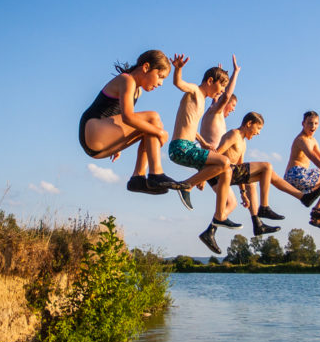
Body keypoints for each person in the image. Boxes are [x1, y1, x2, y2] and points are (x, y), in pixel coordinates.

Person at [78, 49, 186, 194]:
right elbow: (127, 117)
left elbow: (126, 119)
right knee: (153, 118)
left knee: (150, 127)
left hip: (99, 145)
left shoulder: (137, 91)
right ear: (146, 67)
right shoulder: (126, 80)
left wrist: (116, 140)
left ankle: (138, 179)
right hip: (91, 129)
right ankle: (156, 174)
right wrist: (160, 133)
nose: (160, 83)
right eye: (160, 76)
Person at [167, 53, 241, 254]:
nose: (222, 92)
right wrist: (178, 68)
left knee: (225, 168)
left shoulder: (202, 104)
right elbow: (179, 83)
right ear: (210, 81)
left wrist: (203, 142)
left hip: (189, 146)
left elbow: (190, 126)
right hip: (181, 147)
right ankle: (185, 186)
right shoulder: (195, 92)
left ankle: (219, 216)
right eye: (220, 86)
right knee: (225, 162)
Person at [213, 111, 320, 235]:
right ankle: (264, 207)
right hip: (224, 172)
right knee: (267, 166)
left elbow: (241, 169)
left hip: (233, 174)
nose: (258, 132)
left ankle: (303, 197)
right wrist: (202, 178)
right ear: (249, 123)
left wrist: (243, 192)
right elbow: (216, 155)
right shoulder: (234, 134)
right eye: (258, 128)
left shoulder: (243, 142)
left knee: (269, 174)